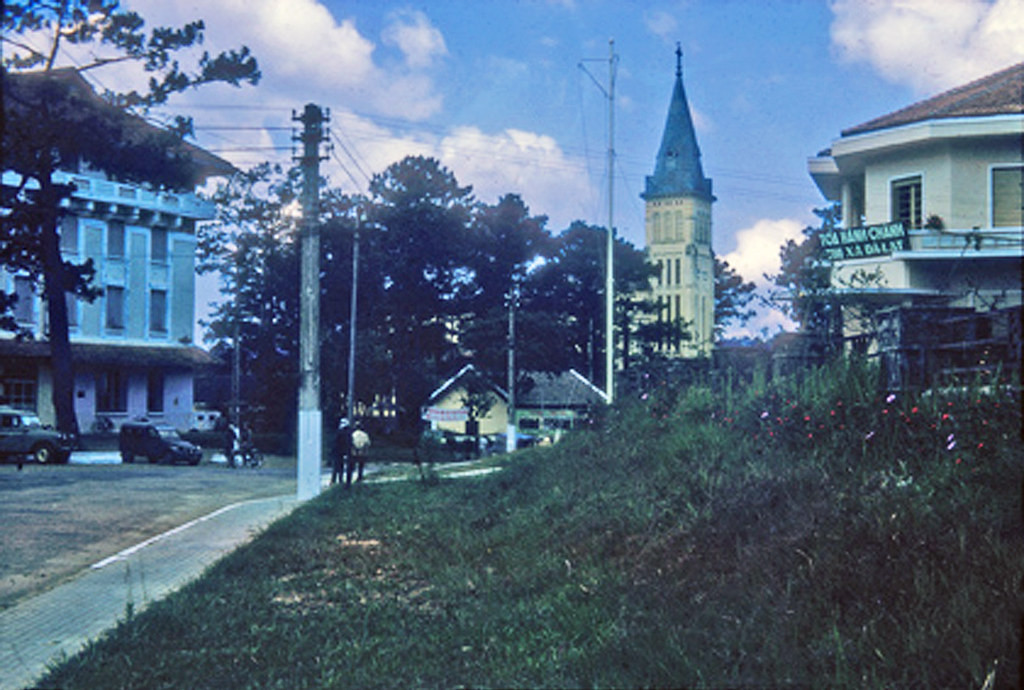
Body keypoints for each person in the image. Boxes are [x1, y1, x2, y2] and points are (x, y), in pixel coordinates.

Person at [333, 418, 351, 486]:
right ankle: (340, 480)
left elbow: (335, 443)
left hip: (337, 452)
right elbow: (348, 443)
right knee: (341, 467)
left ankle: (334, 480)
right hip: (343, 451)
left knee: (336, 466)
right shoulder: (347, 433)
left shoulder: (338, 432)